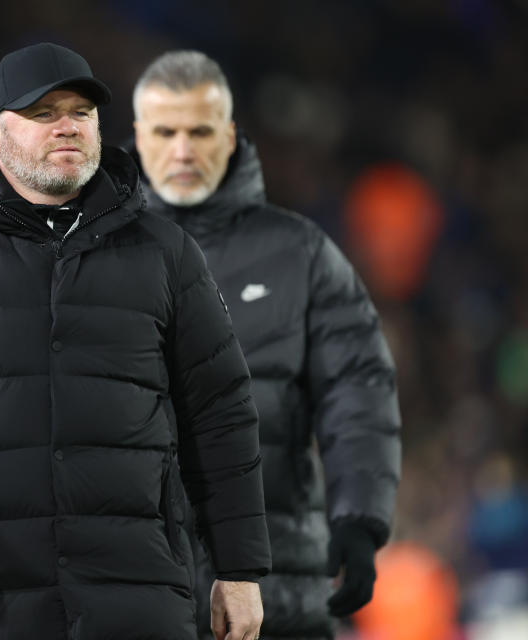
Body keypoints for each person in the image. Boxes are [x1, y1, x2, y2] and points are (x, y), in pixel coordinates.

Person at [0, 42, 270, 639]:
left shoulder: (166, 253)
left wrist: (240, 568)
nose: (67, 126)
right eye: (43, 114)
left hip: (140, 603)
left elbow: (221, 412)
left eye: (81, 113)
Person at [130, 50, 402, 639]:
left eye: (200, 131)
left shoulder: (301, 255)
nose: (182, 151)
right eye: (165, 131)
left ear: (229, 136)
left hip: (277, 593)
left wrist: (360, 519)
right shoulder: (92, 257)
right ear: (135, 137)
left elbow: (359, 392)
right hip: (137, 594)